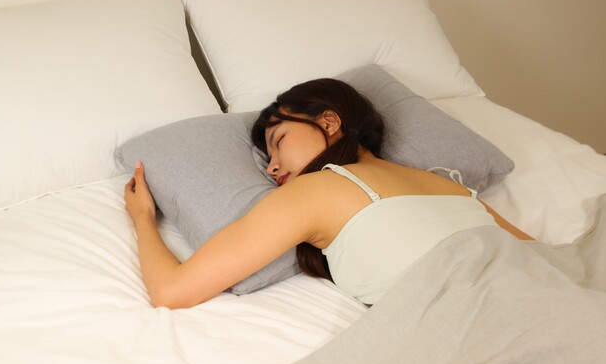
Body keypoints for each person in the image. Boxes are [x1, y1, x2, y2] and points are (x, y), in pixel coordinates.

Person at [124, 78, 533, 309]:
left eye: (279, 141)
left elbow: (171, 291)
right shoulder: (447, 183)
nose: (271, 167)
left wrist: (143, 218)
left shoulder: (315, 190)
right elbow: (536, 257)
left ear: (330, 121)